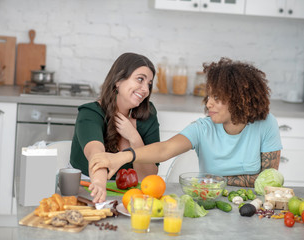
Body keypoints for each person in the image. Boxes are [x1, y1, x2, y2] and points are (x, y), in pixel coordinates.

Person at [90, 57, 283, 202]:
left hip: (254, 205)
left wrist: (215, 180)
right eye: (209, 97)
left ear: (239, 99)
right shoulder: (203, 128)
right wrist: (122, 157)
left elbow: (267, 180)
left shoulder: (266, 124)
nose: (209, 104)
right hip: (211, 202)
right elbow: (165, 149)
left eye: (217, 98)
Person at [70, 52, 160, 203]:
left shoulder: (148, 115)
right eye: (140, 79)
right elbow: (96, 156)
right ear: (118, 80)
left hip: (130, 195)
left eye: (149, 83)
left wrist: (134, 138)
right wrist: (99, 183)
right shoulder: (91, 113)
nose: (145, 89)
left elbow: (148, 177)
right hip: (86, 191)